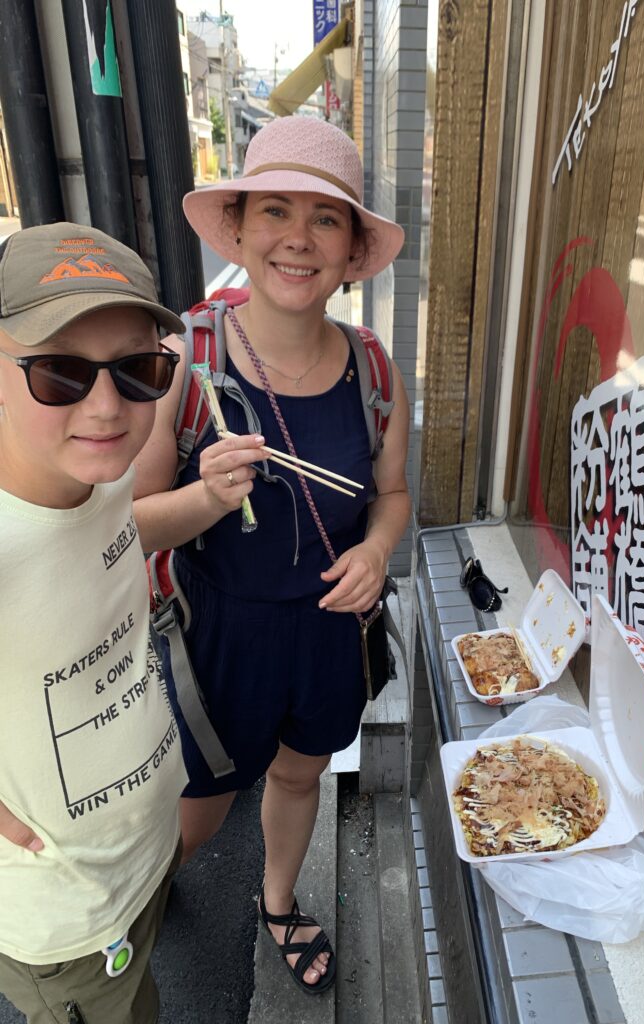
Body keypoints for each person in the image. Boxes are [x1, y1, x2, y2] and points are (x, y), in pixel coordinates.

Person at [133, 116, 410, 995]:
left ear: (352, 248)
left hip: (328, 631)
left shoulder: (374, 369)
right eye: (276, 211)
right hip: (216, 634)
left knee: (300, 774)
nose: (299, 237)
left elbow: (393, 496)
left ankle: (278, 899)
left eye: (326, 218)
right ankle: (141, 902)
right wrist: (206, 497)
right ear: (241, 228)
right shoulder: (183, 357)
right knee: (196, 812)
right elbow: (126, 525)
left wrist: (377, 550)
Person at [0, 223, 189, 1023]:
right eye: (60, 373)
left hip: (145, 848)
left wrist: (213, 499)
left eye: (138, 370)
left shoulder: (101, 477)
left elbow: (119, 536)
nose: (107, 407)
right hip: (70, 917)